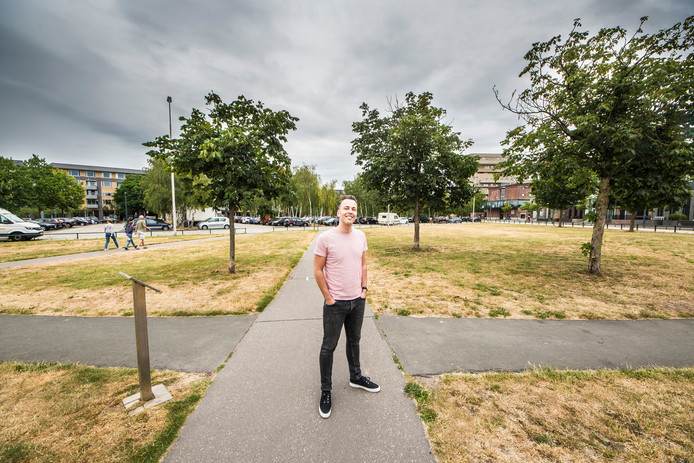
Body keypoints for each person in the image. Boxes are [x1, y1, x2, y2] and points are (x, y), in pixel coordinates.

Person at [314, 194, 379, 419]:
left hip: (357, 301)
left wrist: (364, 290)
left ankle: (356, 377)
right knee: (328, 347)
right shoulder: (325, 238)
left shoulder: (361, 236)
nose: (350, 211)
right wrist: (329, 297)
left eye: (353, 208)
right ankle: (326, 391)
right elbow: (317, 270)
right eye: (346, 208)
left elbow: (363, 264)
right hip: (335, 304)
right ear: (338, 213)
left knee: (354, 341)